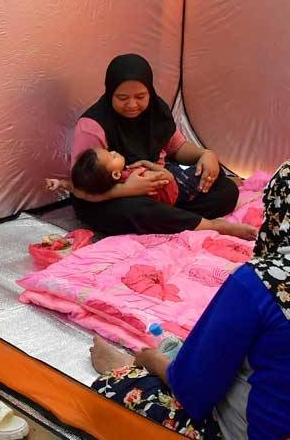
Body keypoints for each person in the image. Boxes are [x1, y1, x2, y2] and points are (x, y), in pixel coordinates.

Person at [88, 161, 290, 439]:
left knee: (118, 387)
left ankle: (122, 368)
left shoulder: (258, 283)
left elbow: (194, 390)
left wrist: (149, 360)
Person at [69, 54, 255, 240]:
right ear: (110, 93)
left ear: (150, 91)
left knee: (226, 191)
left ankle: (168, 217)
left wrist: (205, 154)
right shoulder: (92, 126)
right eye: (122, 98)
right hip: (108, 198)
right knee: (136, 209)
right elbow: (79, 188)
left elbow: (177, 147)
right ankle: (211, 225)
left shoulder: (156, 111)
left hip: (158, 188)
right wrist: (127, 189)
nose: (132, 105)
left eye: (140, 96)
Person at [67, 148, 200, 206]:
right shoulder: (138, 177)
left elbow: (80, 192)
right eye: (112, 156)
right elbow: (168, 177)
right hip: (181, 187)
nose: (114, 152)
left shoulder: (111, 183)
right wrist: (146, 163)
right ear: (116, 174)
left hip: (173, 185)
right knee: (197, 172)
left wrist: (62, 184)